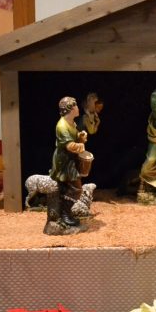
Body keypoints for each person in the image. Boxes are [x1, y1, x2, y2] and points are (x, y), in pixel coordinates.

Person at [46, 96, 87, 234]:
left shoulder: (72, 123)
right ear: (70, 109)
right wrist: (81, 146)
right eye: (75, 106)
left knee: (70, 188)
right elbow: (70, 146)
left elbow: (74, 139)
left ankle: (66, 214)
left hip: (70, 160)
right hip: (64, 162)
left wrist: (80, 137)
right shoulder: (62, 126)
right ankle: (64, 214)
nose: (78, 108)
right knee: (75, 188)